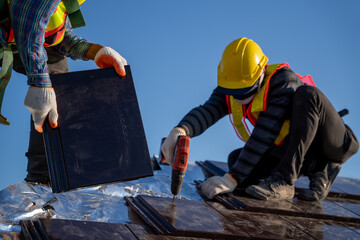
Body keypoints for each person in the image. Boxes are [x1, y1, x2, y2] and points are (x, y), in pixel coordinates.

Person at [161, 37, 359, 201]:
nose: (238, 96)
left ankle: (288, 180)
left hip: (332, 143)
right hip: (299, 153)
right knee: (236, 160)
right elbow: (208, 110)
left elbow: (265, 133)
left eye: (244, 90)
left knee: (308, 95)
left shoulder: (283, 82)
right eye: (233, 91)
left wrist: (232, 178)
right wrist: (181, 130)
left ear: (261, 73)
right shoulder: (230, 87)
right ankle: (318, 168)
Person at [0, 0, 127, 184]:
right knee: (46, 76)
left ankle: (43, 174)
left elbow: (58, 37)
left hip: (13, 37)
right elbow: (29, 21)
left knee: (57, 68)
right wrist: (40, 82)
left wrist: (95, 51)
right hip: (16, 32)